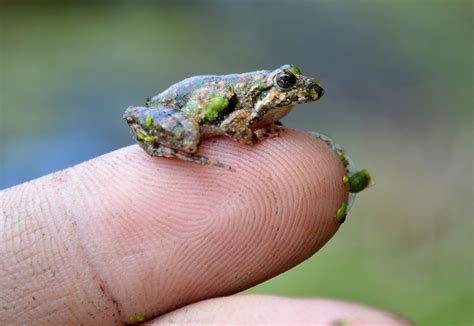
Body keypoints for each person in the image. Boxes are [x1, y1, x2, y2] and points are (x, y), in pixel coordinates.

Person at [0, 130, 409, 325]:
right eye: (286, 84)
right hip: (180, 113)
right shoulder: (245, 99)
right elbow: (241, 128)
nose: (296, 91)